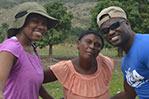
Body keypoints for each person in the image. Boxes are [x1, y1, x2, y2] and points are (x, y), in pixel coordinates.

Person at [0, 2, 58, 99]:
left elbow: (34, 84)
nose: (41, 27)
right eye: (35, 21)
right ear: (21, 23)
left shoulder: (32, 49)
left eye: (44, 24)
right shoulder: (11, 47)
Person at [43, 29, 114, 99]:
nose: (92, 47)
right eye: (88, 42)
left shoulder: (105, 64)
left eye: (97, 45)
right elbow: (34, 79)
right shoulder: (65, 68)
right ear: (78, 44)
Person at [97, 6, 149, 99]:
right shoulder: (125, 63)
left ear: (127, 23)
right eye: (105, 31)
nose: (111, 32)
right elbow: (129, 94)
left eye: (115, 25)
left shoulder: (146, 46)